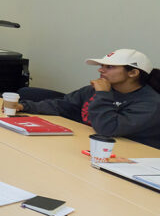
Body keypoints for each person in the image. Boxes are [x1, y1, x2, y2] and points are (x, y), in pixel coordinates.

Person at [15, 49, 160, 149]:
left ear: (133, 73)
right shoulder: (97, 89)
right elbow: (63, 105)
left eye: (109, 67)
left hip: (131, 156)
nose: (101, 70)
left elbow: (108, 129)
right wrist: (24, 106)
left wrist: (103, 95)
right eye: (102, 66)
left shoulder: (150, 103)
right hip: (91, 145)